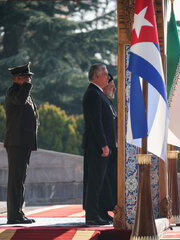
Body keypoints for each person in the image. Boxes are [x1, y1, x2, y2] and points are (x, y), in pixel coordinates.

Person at [4, 62, 39, 224]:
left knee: (20, 179)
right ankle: (14, 215)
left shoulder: (22, 92)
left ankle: (18, 212)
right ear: (17, 78)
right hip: (16, 142)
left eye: (30, 77)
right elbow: (19, 102)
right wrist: (26, 87)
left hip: (23, 142)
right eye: (27, 77)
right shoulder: (14, 92)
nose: (30, 80)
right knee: (16, 180)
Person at [82, 64, 117, 225]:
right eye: (105, 74)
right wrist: (103, 144)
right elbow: (96, 123)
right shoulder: (93, 94)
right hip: (96, 147)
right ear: (96, 76)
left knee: (102, 183)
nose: (108, 77)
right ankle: (92, 216)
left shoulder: (99, 94)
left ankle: (101, 212)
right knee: (95, 182)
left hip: (103, 147)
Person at [99, 73, 117, 220]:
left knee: (109, 181)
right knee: (104, 182)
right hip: (104, 148)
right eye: (112, 86)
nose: (115, 89)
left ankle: (106, 211)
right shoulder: (101, 100)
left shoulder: (108, 102)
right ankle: (101, 212)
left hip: (112, 147)